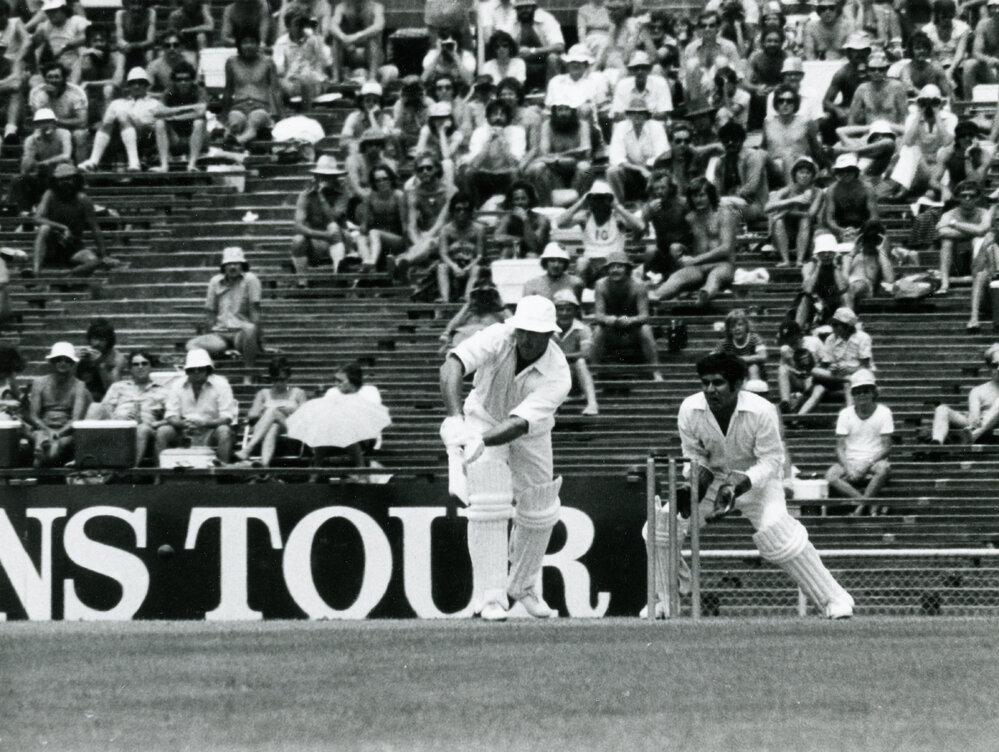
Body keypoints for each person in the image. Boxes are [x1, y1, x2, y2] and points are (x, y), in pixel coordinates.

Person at [675, 351, 854, 618]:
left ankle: (835, 599)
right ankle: (664, 601)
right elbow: (693, 454)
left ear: (737, 385)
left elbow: (773, 460)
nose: (710, 389)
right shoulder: (690, 408)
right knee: (660, 527)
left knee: (777, 534)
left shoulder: (762, 410)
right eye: (705, 382)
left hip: (757, 482)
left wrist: (742, 482)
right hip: (713, 481)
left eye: (718, 382)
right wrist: (695, 482)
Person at [439, 294, 572, 620]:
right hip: (482, 413)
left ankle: (523, 586)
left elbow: (517, 425)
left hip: (530, 432)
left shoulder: (559, 374)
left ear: (549, 335)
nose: (525, 338)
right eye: (522, 330)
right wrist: (456, 420)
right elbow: (453, 364)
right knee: (487, 501)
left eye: (534, 333)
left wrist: (477, 441)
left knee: (541, 506)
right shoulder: (499, 335)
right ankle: (491, 596)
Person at [649, 177, 738, 306]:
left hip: (722, 264)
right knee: (677, 277)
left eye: (702, 195)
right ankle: (654, 297)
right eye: (694, 196)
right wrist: (680, 248)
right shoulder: (690, 218)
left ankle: (705, 294)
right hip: (698, 267)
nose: (698, 200)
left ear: (710, 195)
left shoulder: (724, 214)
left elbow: (726, 248)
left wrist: (695, 260)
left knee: (715, 277)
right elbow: (687, 245)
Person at [826, 368, 893, 515]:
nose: (862, 395)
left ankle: (860, 508)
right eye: (857, 392)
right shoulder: (845, 414)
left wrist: (867, 463)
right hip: (851, 459)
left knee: (884, 468)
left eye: (866, 391)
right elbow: (839, 447)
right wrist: (848, 467)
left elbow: (887, 447)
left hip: (874, 460)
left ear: (873, 393)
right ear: (853, 395)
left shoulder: (884, 412)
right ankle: (869, 504)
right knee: (831, 475)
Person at [79, 67, 172, 172]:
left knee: (122, 114)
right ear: (128, 85)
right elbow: (106, 126)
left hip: (145, 140)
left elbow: (158, 128)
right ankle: (93, 161)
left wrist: (132, 120)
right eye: (133, 83)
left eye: (140, 83)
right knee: (114, 117)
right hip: (118, 139)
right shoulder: (117, 103)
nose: (136, 86)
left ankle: (134, 162)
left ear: (146, 85)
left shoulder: (155, 103)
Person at [186, 247, 262, 374]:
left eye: (236, 264)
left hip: (241, 333)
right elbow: (210, 312)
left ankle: (249, 373)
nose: (232, 267)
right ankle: (213, 363)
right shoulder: (215, 281)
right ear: (223, 267)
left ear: (242, 265)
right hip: (220, 334)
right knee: (191, 345)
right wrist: (208, 334)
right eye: (229, 264)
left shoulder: (250, 279)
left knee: (250, 328)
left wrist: (258, 339)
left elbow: (255, 311)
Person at [84, 348, 167, 463]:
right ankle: (84, 457)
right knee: (95, 407)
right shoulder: (118, 386)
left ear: (150, 366)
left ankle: (131, 472)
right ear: (130, 369)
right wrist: (118, 418)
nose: (140, 367)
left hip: (144, 427)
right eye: (135, 364)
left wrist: (153, 423)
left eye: (144, 363)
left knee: (142, 429)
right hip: (116, 424)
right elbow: (105, 409)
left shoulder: (163, 391)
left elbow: (172, 416)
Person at [155, 348, 237, 464]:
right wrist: (182, 424)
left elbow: (227, 417)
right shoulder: (177, 385)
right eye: (192, 370)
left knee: (224, 431)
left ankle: (222, 473)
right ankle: (160, 475)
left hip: (211, 431)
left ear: (208, 370)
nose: (196, 372)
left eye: (200, 369)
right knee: (163, 431)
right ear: (187, 371)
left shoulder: (221, 384)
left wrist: (205, 424)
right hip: (184, 433)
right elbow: (171, 414)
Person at [591, 250, 663, 381]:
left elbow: (644, 316)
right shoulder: (600, 285)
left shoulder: (639, 286)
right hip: (611, 330)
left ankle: (655, 370)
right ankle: (594, 370)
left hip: (632, 331)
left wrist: (629, 320)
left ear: (627, 269)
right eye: (612, 267)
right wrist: (609, 319)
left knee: (646, 329)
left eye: (619, 266)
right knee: (597, 330)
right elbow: (598, 315)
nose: (615, 270)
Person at [556, 179, 643, 285]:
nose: (598, 204)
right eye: (595, 199)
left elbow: (640, 226)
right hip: (591, 263)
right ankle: (579, 295)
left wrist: (617, 206)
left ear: (609, 201)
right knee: (581, 262)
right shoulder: (586, 217)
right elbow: (560, 223)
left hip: (612, 262)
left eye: (602, 199)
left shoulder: (617, 217)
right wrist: (581, 202)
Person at [33, 163, 109, 277]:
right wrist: (62, 227)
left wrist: (104, 254)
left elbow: (94, 227)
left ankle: (69, 276)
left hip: (73, 246)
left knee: (93, 261)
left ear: (75, 180)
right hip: (52, 244)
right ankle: (36, 271)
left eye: (68, 179)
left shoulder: (83, 199)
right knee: (44, 228)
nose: (65, 183)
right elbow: (37, 218)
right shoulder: (50, 195)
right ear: (56, 181)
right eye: (61, 179)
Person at [798, 306, 874, 415]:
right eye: (832, 324)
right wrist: (833, 367)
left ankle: (849, 417)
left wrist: (848, 369)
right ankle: (798, 418)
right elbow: (826, 364)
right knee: (816, 377)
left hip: (856, 375)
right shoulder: (830, 339)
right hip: (837, 376)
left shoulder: (863, 338)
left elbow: (865, 366)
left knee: (849, 384)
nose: (833, 327)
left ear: (846, 326)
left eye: (836, 325)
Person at [28, 341, 91, 468]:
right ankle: (44, 452)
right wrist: (49, 431)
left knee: (58, 444)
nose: (62, 363)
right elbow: (33, 416)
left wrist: (58, 433)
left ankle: (42, 457)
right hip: (43, 428)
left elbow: (76, 419)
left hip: (66, 431)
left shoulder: (79, 385)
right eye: (58, 360)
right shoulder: (39, 383)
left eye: (67, 360)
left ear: (72, 363)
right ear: (52, 362)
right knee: (39, 435)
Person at [234, 358, 307, 466]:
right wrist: (263, 411)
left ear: (288, 378)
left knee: (272, 412)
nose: (279, 383)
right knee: (273, 426)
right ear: (272, 379)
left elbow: (307, 416)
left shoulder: (298, 393)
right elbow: (252, 415)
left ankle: (248, 448)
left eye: (283, 380)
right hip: (268, 428)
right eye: (276, 380)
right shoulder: (263, 393)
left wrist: (291, 410)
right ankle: (264, 465)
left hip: (290, 426)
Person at [290, 155, 351, 284]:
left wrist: (322, 198)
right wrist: (321, 235)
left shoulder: (342, 193)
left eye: (329, 176)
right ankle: (302, 283)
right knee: (297, 240)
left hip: (339, 239)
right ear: (317, 176)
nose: (326, 179)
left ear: (335, 177)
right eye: (322, 176)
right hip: (316, 238)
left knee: (333, 227)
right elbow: (298, 225)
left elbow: (333, 218)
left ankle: (338, 276)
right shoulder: (306, 194)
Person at [526, 93, 592, 206]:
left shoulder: (583, 125)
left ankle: (579, 206)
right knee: (537, 168)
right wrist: (569, 156)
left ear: (573, 111)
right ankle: (547, 206)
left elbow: (586, 151)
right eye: (560, 110)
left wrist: (556, 156)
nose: (563, 113)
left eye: (567, 110)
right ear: (554, 112)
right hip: (554, 170)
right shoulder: (547, 124)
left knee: (586, 168)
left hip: (576, 169)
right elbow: (544, 153)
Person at [221, 33, 283, 148]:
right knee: (235, 122)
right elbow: (228, 90)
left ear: (257, 44)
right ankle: (230, 138)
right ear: (239, 45)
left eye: (252, 42)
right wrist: (224, 115)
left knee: (254, 121)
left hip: (260, 106)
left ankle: (238, 142)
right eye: (245, 42)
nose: (249, 46)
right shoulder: (231, 62)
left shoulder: (267, 61)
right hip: (238, 106)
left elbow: (276, 90)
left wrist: (279, 114)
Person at [8, 108, 71, 216]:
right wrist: (33, 149)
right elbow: (25, 169)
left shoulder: (64, 134)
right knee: (17, 179)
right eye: (41, 123)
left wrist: (48, 162)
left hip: (61, 176)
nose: (45, 125)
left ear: (54, 123)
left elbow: (67, 155)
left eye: (48, 122)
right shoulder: (31, 140)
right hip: (42, 176)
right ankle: (24, 212)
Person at [932, 343, 999, 443]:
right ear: (989, 366)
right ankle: (936, 443)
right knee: (941, 409)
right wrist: (979, 419)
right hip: (977, 427)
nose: (998, 369)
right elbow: (974, 420)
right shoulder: (978, 390)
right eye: (995, 365)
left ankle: (975, 434)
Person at [462, 99, 524, 207]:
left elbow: (515, 163)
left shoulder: (517, 132)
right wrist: (489, 141)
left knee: (515, 172)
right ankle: (473, 209)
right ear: (488, 117)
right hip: (485, 173)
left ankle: (513, 209)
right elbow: (475, 164)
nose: (498, 118)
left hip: (506, 173)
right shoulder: (479, 132)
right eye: (494, 114)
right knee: (469, 172)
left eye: (502, 114)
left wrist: (503, 142)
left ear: (508, 117)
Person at [606, 95, 669, 202]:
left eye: (640, 113)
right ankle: (620, 206)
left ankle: (657, 202)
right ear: (628, 115)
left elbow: (661, 153)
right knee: (612, 171)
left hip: (653, 171)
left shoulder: (656, 126)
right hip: (631, 172)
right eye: (633, 112)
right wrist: (639, 169)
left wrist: (647, 169)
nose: (637, 116)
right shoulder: (621, 127)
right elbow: (616, 157)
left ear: (646, 115)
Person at [936, 179, 991, 295]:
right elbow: (942, 232)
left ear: (978, 198)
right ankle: (944, 283)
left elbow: (982, 230)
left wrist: (954, 224)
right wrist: (974, 231)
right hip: (956, 259)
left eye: (971, 196)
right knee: (947, 241)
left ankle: (977, 280)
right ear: (958, 198)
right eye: (964, 196)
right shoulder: (949, 214)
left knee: (977, 240)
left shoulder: (984, 213)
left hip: (979, 259)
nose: (967, 199)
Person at [765, 155, 821, 267]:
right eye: (801, 172)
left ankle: (799, 260)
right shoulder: (787, 190)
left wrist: (785, 212)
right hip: (786, 233)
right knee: (779, 221)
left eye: (808, 173)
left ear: (812, 175)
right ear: (795, 174)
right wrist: (794, 200)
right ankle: (785, 260)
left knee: (804, 220)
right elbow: (767, 208)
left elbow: (810, 214)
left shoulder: (818, 192)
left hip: (806, 236)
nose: (804, 176)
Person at [762, 85, 823, 186]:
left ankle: (791, 192)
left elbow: (816, 148)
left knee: (788, 157)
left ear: (795, 104)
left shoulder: (806, 122)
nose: (785, 104)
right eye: (781, 101)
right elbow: (763, 147)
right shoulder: (768, 122)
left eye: (789, 101)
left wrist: (828, 166)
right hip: (775, 166)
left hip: (801, 164)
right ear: (776, 104)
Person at [28, 61, 89, 162]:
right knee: (35, 137)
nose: (53, 80)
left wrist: (55, 121)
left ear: (64, 78)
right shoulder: (37, 93)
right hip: (47, 128)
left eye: (57, 77)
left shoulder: (76, 92)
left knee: (80, 135)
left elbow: (82, 121)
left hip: (71, 128)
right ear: (45, 78)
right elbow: (38, 121)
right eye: (50, 77)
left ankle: (80, 170)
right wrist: (50, 97)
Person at [711, 119, 768, 222]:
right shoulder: (720, 162)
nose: (730, 143)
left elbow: (751, 188)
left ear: (742, 140)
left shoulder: (752, 157)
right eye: (726, 141)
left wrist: (728, 198)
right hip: (728, 205)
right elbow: (716, 190)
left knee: (727, 213)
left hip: (753, 206)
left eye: (734, 140)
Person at [553, 289, 599, 415]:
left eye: (569, 309)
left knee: (580, 362)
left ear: (575, 311)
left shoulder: (583, 329)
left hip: (575, 380)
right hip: (553, 378)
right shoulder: (547, 329)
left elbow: (585, 354)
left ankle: (592, 404)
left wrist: (559, 357)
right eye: (560, 309)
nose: (564, 313)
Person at [357, 163, 407, 272]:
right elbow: (364, 226)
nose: (382, 183)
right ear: (374, 183)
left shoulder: (398, 196)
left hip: (396, 239)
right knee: (361, 238)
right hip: (377, 240)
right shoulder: (370, 197)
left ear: (391, 179)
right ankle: (367, 261)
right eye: (378, 180)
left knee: (374, 232)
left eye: (385, 179)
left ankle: (372, 262)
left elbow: (404, 225)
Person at [272, 10, 327, 109]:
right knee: (277, 81)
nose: (300, 27)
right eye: (297, 24)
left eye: (303, 24)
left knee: (305, 77)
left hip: (313, 81)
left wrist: (315, 40)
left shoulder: (314, 39)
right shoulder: (281, 42)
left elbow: (326, 62)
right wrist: (286, 83)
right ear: (288, 26)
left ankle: (307, 110)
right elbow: (279, 70)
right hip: (291, 83)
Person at [794, 232, 848, 330]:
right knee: (805, 299)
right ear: (817, 254)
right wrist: (818, 265)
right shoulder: (809, 266)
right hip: (815, 298)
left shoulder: (842, 263)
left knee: (845, 296)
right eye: (823, 252)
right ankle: (798, 330)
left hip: (833, 297)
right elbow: (808, 290)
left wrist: (835, 266)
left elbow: (843, 288)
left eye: (830, 252)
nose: (826, 255)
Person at [436, 192, 484, 302]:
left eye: (465, 209)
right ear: (452, 211)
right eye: (458, 209)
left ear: (470, 211)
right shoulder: (445, 230)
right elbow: (443, 254)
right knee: (441, 267)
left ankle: (467, 298)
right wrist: (454, 267)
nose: (462, 213)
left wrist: (468, 267)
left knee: (476, 269)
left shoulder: (478, 229)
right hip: (452, 264)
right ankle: (445, 300)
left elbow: (480, 255)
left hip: (471, 263)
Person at [439, 279, 510, 352]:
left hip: (489, 345)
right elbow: (451, 326)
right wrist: (468, 304)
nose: (484, 297)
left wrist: (500, 302)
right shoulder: (470, 312)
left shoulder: (499, 313)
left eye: (488, 294)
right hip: (468, 343)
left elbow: (513, 325)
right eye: (481, 293)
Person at [509, 0, 564, 90]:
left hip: (546, 58)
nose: (524, 11)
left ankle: (552, 93)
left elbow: (559, 46)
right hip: (524, 61)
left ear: (534, 7)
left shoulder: (547, 18)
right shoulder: (512, 21)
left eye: (527, 7)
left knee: (553, 58)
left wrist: (532, 51)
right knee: (512, 61)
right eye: (520, 8)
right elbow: (507, 43)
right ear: (516, 10)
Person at [823, 152, 878, 242]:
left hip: (864, 226)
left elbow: (874, 217)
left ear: (855, 171)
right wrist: (840, 230)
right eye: (841, 171)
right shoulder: (832, 190)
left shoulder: (867, 188)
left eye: (848, 170)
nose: (844, 174)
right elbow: (830, 219)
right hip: (839, 227)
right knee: (822, 236)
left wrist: (859, 230)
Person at [30, 0, 88, 83]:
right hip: (59, 64)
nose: (50, 14)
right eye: (48, 12)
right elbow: (31, 45)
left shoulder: (76, 20)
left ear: (64, 10)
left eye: (54, 11)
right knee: (35, 80)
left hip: (78, 61)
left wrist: (65, 47)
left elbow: (85, 37)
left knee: (77, 64)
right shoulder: (46, 26)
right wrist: (35, 68)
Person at [329, 0, 387, 84]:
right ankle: (335, 78)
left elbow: (379, 25)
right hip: (350, 51)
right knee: (336, 40)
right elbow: (332, 25)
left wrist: (358, 35)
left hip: (372, 54)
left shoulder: (376, 7)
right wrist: (342, 36)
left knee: (372, 39)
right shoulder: (342, 7)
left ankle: (372, 78)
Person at [844, 220, 895, 309]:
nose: (871, 242)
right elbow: (843, 277)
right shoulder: (850, 255)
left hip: (864, 287)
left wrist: (881, 250)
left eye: (874, 239)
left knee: (857, 286)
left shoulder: (881, 257)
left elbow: (890, 280)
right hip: (847, 287)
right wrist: (854, 251)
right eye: (868, 239)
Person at [848, 51, 907, 127]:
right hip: (869, 132)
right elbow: (852, 119)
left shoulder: (896, 87)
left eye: (881, 69)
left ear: (886, 69)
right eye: (873, 69)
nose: (877, 72)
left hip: (892, 131)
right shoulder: (862, 89)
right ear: (868, 70)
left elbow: (904, 118)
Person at [776, 319, 823, 414]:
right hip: (798, 379)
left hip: (814, 379)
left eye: (790, 337)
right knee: (782, 369)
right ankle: (785, 403)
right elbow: (783, 371)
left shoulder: (814, 342)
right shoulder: (786, 349)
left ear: (797, 335)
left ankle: (798, 414)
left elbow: (825, 361)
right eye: (786, 338)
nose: (788, 341)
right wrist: (790, 360)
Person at [610, 50, 672, 120]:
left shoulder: (660, 83)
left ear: (649, 69)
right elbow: (617, 114)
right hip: (629, 124)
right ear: (631, 71)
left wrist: (638, 116)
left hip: (655, 124)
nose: (640, 72)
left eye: (643, 68)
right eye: (636, 68)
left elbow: (663, 113)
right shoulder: (622, 85)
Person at [76, 317, 127, 402]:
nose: (97, 343)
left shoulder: (117, 358)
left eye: (102, 340)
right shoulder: (84, 354)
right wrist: (74, 362)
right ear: (90, 339)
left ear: (109, 341)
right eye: (95, 338)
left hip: (106, 399)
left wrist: (100, 364)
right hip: (84, 398)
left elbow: (115, 389)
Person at [495, 181, 550, 258]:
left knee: (531, 255)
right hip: (517, 251)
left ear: (530, 200)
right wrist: (522, 240)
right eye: (516, 199)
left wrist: (525, 220)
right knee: (507, 251)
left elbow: (534, 246)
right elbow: (498, 237)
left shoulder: (541, 219)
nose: (520, 202)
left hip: (536, 255)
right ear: (512, 201)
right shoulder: (508, 218)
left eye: (523, 199)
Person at [713, 308, 767, 382]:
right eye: (733, 326)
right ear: (729, 329)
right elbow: (712, 357)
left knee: (753, 368)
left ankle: (753, 390)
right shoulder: (726, 342)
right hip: (736, 372)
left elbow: (763, 356)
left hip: (756, 374)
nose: (737, 328)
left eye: (740, 325)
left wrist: (738, 359)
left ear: (746, 326)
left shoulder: (754, 338)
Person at [966, 209, 999, 331]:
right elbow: (976, 270)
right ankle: (974, 318)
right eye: (998, 220)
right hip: (992, 293)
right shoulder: (984, 241)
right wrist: (985, 246)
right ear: (993, 224)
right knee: (981, 275)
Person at [112, 0, 156, 89]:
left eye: (139, 3)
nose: (136, 7)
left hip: (144, 47)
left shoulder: (151, 13)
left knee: (149, 54)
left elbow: (150, 40)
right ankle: (117, 85)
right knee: (120, 59)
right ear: (127, 3)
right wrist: (126, 45)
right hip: (126, 48)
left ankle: (148, 86)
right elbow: (119, 39)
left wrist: (134, 46)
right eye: (133, 3)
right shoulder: (120, 14)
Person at [964, 0, 999, 97]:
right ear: (989, 9)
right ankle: (969, 107)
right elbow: (976, 52)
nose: (997, 10)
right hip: (991, 70)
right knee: (969, 65)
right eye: (994, 7)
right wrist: (989, 59)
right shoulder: (983, 25)